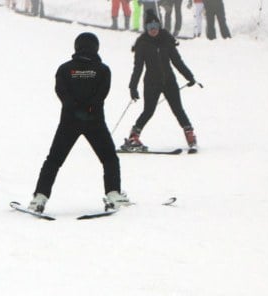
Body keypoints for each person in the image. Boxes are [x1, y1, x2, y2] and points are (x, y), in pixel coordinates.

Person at [27, 32, 127, 214]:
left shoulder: (64, 69)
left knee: (54, 160)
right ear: (96, 48)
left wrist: (74, 108)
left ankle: (39, 197)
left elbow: (61, 92)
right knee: (109, 158)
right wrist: (89, 108)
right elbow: (101, 95)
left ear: (77, 47)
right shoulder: (103, 70)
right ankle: (113, 194)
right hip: (94, 120)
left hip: (69, 121)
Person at [121, 17, 198, 152]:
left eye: (155, 25)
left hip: (169, 81)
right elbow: (138, 68)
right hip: (151, 82)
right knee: (149, 111)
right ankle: (133, 137)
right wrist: (133, 87)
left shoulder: (166, 40)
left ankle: (190, 136)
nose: (153, 29)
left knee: (178, 109)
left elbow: (177, 61)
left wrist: (189, 76)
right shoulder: (142, 44)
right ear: (146, 28)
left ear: (159, 25)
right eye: (150, 26)